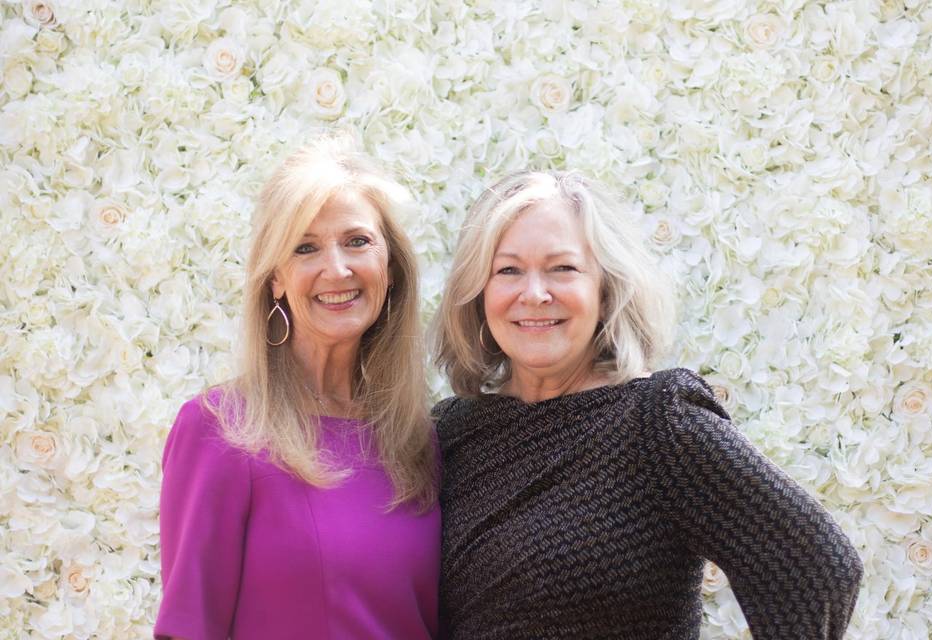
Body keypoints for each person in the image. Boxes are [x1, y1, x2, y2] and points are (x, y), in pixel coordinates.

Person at [432, 170, 863, 639]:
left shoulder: (658, 423)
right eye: (508, 270)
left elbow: (816, 565)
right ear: (478, 293)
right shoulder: (453, 431)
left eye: (563, 268)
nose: (534, 294)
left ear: (606, 289)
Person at [154, 137, 440, 640]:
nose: (337, 268)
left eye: (357, 241)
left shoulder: (421, 441)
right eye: (305, 247)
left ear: (390, 268)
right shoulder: (221, 429)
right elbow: (188, 628)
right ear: (276, 280)